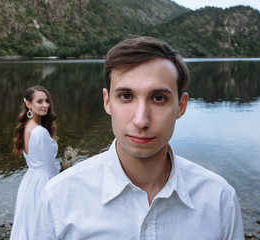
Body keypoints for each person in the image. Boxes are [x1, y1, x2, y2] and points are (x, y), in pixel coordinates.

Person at [34, 37, 244, 239]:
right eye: (126, 96)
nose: (141, 120)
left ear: (180, 106)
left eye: (159, 98)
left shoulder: (219, 200)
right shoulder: (59, 197)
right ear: (107, 102)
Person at [10, 86, 60, 240]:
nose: (45, 105)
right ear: (28, 104)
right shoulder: (40, 132)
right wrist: (63, 177)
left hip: (30, 181)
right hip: (43, 182)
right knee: (45, 225)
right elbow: (50, 167)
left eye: (46, 101)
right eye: (40, 101)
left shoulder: (26, 127)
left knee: (30, 222)